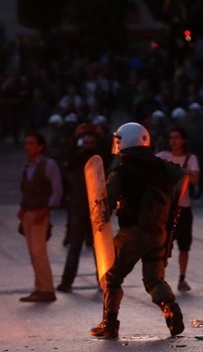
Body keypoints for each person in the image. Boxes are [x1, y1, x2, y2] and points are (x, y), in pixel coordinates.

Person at [90, 122, 185, 339]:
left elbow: (105, 204)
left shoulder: (121, 172)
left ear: (127, 142)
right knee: (154, 280)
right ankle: (170, 308)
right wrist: (170, 205)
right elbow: (182, 177)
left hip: (132, 233)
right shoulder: (162, 166)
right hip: (159, 232)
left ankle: (109, 325)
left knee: (112, 277)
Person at [19, 131, 64, 302]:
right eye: (26, 143)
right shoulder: (27, 165)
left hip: (40, 212)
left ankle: (46, 289)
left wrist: (47, 208)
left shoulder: (48, 164)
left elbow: (57, 189)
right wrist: (22, 209)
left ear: (40, 146)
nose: (27, 147)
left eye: (30, 143)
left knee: (39, 251)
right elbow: (26, 189)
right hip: (28, 212)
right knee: (33, 252)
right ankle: (39, 288)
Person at [156, 128, 201, 292]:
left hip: (183, 207)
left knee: (184, 245)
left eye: (176, 137)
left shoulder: (191, 158)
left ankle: (182, 277)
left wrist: (182, 171)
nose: (173, 141)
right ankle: (158, 277)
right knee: (163, 245)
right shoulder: (162, 157)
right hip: (166, 208)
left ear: (183, 140)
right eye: (171, 137)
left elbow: (196, 179)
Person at [58, 130, 103, 292]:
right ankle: (66, 282)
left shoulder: (100, 160)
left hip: (96, 211)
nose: (89, 146)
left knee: (100, 250)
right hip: (79, 210)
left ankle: (103, 281)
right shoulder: (77, 160)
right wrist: (77, 135)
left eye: (92, 143)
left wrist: (98, 133)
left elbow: (107, 148)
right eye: (87, 143)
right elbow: (67, 152)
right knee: (74, 248)